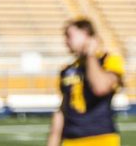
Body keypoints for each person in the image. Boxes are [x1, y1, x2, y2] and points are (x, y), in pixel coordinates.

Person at [47, 18, 125, 146]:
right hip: (71, 140)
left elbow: (100, 88)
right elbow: (63, 110)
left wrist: (90, 54)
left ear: (86, 34)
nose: (66, 41)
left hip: (101, 139)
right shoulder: (67, 69)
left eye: (69, 35)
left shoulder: (109, 60)